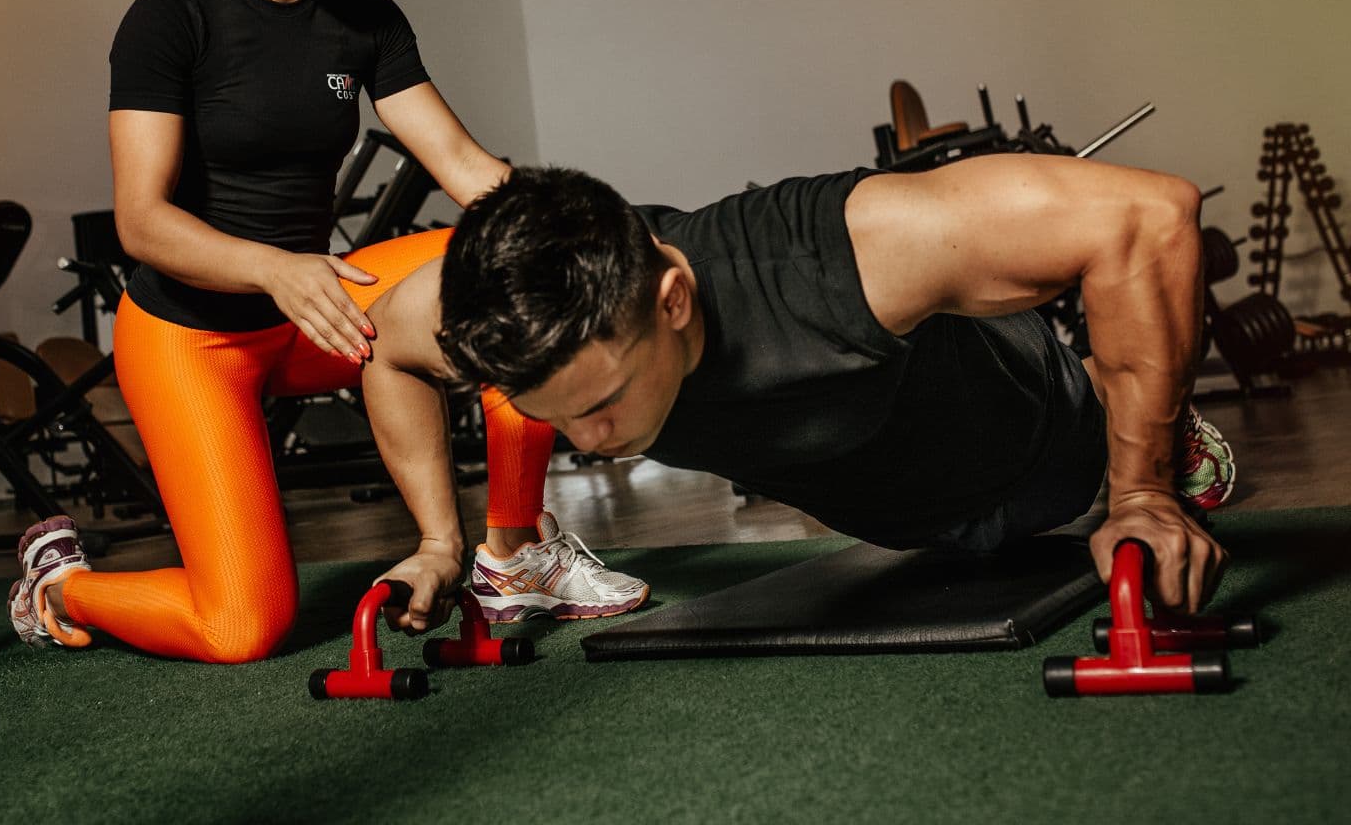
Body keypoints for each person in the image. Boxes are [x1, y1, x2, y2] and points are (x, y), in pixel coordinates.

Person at [7, 0, 644, 660]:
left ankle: (513, 554)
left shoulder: (363, 18)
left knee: (517, 266)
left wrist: (590, 229)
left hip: (323, 308)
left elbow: (462, 165)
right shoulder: (169, 20)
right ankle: (60, 584)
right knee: (241, 627)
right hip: (196, 336)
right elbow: (142, 223)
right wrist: (274, 267)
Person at [346, 155, 1236, 632]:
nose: (591, 438)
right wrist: (436, 542)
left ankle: (1171, 443)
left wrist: (1144, 493)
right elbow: (383, 344)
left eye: (605, 399)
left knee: (1090, 448)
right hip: (899, 519)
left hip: (1045, 447)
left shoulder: (840, 253)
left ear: (675, 300)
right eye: (555, 414)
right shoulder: (495, 313)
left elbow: (1149, 217)